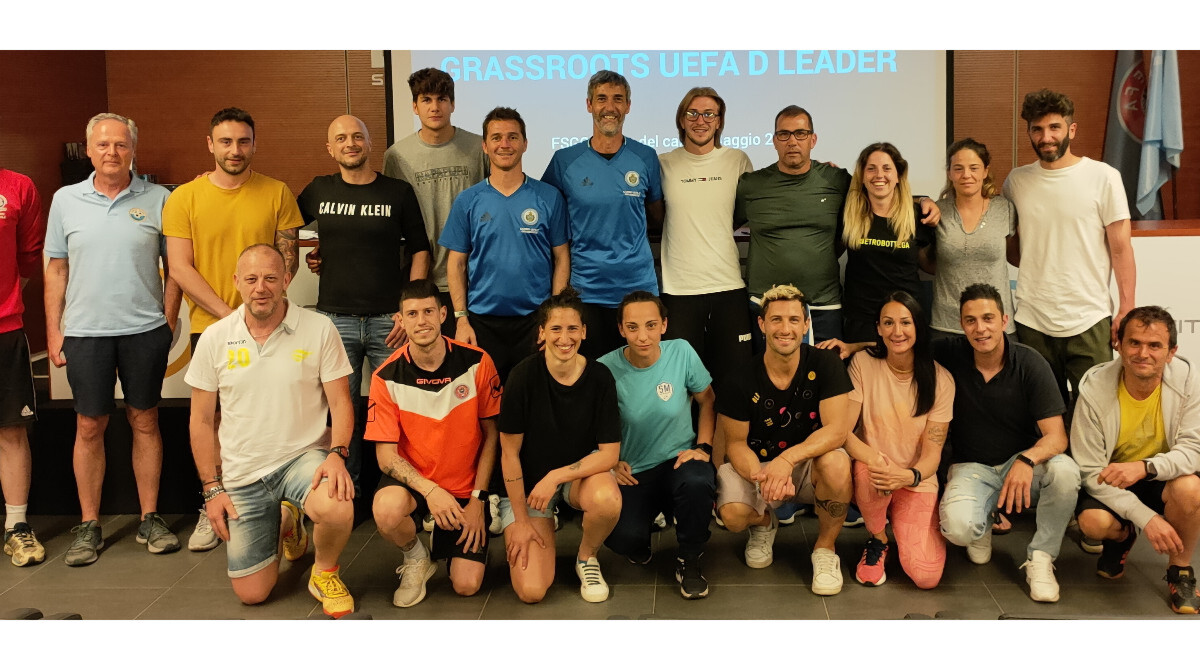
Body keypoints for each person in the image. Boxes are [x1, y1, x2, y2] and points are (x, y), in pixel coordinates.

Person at [186, 244, 356, 617]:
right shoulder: (215, 337)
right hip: (243, 474)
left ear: (287, 280)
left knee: (337, 503)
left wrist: (337, 454)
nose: (260, 287)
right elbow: (200, 420)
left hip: (302, 458)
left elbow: (342, 403)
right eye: (251, 279)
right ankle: (287, 521)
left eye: (270, 278)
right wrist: (212, 488)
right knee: (253, 594)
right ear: (237, 282)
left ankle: (324, 572)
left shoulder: (319, 328)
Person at [164, 106, 305, 552]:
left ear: (254, 144)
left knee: (273, 416)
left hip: (272, 328)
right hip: (211, 329)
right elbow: (180, 267)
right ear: (210, 145)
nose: (235, 150)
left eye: (243, 141)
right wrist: (232, 317)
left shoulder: (277, 192)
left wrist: (258, 311)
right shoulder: (184, 198)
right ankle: (215, 504)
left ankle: (280, 507)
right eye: (225, 141)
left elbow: (287, 261)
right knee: (215, 420)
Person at [44, 112, 182, 566]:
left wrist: (167, 321)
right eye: (103, 144)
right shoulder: (65, 200)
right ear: (88, 150)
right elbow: (56, 270)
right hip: (85, 333)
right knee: (89, 426)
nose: (112, 152)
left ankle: (150, 518)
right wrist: (54, 331)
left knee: (145, 420)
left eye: (121, 144)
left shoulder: (160, 198)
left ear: (133, 150)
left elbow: (176, 268)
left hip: (144, 331)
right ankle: (89, 524)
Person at [297, 115, 431, 495]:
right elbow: (282, 223)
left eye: (357, 136)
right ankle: (348, 494)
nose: (350, 143)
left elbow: (420, 249)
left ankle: (409, 493)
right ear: (330, 148)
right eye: (341, 138)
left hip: (390, 321)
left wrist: (409, 309)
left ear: (370, 143)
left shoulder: (397, 192)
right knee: (344, 413)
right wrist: (313, 253)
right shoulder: (318, 190)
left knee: (404, 405)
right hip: (335, 321)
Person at [735, 107, 940, 346]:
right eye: (784, 134)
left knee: (828, 370)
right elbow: (725, 223)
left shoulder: (835, 179)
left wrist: (923, 200)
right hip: (766, 303)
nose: (792, 141)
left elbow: (880, 189)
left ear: (813, 140)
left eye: (800, 133)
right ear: (774, 140)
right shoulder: (751, 185)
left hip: (824, 306)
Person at [936, 284, 1078, 602]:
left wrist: (1027, 460)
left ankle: (1041, 558)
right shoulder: (949, 354)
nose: (980, 328)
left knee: (1065, 472)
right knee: (958, 530)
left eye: (988, 318)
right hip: (971, 467)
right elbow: (901, 345)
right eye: (971, 320)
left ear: (1004, 320)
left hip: (1022, 467)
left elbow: (1057, 437)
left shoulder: (1030, 363)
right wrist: (854, 346)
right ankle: (983, 520)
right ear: (961, 325)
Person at [365, 278, 500, 608]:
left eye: (428, 311)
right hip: (417, 483)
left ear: (443, 314)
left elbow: (492, 436)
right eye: (412, 314)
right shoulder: (385, 376)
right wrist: (430, 491)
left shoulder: (477, 361)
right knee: (386, 510)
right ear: (400, 320)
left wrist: (478, 501)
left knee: (467, 585)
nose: (421, 321)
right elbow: (385, 457)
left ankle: (453, 529)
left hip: (465, 488)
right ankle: (416, 556)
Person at [716, 284, 854, 595]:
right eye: (776, 319)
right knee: (733, 516)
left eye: (794, 319)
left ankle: (825, 549)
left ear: (806, 325)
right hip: (759, 466)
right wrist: (761, 477)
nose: (785, 328)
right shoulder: (739, 377)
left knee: (837, 463)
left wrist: (787, 459)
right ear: (762, 324)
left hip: (808, 462)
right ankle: (765, 523)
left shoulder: (826, 363)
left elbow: (836, 431)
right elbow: (735, 444)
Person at [1002, 89, 1136, 408]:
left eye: (1054, 127)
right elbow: (1013, 250)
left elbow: (1121, 250)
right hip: (1033, 319)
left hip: (1089, 317)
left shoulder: (1104, 177)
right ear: (1029, 132)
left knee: (1095, 411)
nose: (1046, 137)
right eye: (1037, 129)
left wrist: (1126, 308)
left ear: (1071, 129)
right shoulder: (1015, 182)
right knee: (1041, 415)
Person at [496, 287, 622, 604]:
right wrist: (522, 521)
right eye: (555, 328)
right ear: (542, 332)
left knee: (607, 498)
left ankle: (586, 558)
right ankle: (536, 522)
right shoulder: (522, 376)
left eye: (572, 328)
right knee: (532, 591)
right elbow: (509, 453)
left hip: (574, 480)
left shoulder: (600, 376)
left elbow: (609, 454)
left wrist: (556, 476)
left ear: (584, 331)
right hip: (529, 488)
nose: (564, 338)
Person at [1071, 306, 1200, 614]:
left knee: (1190, 489)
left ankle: (1180, 571)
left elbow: (1193, 450)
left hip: (1159, 476)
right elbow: (1090, 471)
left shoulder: (1189, 380)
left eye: (1155, 345)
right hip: (1112, 481)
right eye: (1135, 343)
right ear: (1118, 344)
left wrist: (1145, 468)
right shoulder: (1094, 389)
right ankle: (1123, 535)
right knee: (1093, 523)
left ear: (1171, 352)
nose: (1143, 353)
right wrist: (1146, 519)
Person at [598, 291, 716, 599]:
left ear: (664, 325)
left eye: (651, 325)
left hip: (679, 460)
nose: (643, 336)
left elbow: (707, 400)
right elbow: (590, 425)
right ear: (621, 329)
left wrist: (704, 447)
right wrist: (609, 462)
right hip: (633, 471)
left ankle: (689, 559)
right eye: (633, 327)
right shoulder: (604, 369)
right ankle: (646, 525)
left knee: (698, 481)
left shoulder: (682, 351)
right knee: (623, 539)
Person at [440, 106, 569, 383]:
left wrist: (554, 319)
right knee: (485, 402)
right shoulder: (468, 200)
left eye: (512, 137)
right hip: (481, 323)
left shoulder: (549, 197)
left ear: (525, 143)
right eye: (496, 138)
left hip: (535, 322)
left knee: (531, 399)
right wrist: (461, 319)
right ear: (485, 146)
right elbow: (456, 263)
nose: (505, 144)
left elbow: (561, 258)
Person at [542, 70, 664, 359]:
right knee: (592, 373)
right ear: (589, 105)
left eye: (618, 99)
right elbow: (550, 218)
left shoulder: (645, 157)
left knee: (641, 373)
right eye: (601, 99)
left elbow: (657, 216)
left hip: (638, 289)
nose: (610, 107)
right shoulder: (564, 161)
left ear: (628, 106)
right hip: (586, 291)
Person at [841, 291, 952, 589]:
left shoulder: (941, 379)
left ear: (918, 326)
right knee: (871, 472)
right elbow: (844, 433)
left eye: (905, 322)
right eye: (888, 323)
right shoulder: (862, 363)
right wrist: (878, 461)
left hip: (915, 479)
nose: (897, 331)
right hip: (873, 472)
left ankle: (910, 521)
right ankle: (878, 538)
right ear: (878, 328)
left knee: (926, 577)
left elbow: (932, 454)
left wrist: (907, 475)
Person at [658, 87, 753, 394]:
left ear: (719, 121)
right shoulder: (662, 163)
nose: (701, 120)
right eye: (693, 113)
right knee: (684, 388)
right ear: (681, 120)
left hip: (728, 287)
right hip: (679, 291)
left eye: (709, 114)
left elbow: (741, 215)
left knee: (734, 385)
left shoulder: (737, 160)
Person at [383, 67, 487, 336]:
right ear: (414, 106)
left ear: (452, 104)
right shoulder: (397, 155)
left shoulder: (479, 147)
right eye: (426, 100)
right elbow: (391, 222)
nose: (435, 107)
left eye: (442, 99)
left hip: (475, 280)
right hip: (422, 280)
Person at [840, 143, 935, 345]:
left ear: (898, 175)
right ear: (862, 176)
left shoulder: (917, 216)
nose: (879, 175)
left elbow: (929, 264)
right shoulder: (849, 215)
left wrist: (925, 199)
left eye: (886, 168)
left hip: (906, 318)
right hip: (862, 320)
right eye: (871, 168)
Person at [0, 166, 46, 567]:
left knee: (12, 430)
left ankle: (16, 526)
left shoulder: (18, 187)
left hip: (5, 328)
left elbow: (29, 258)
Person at [929, 139, 1017, 338]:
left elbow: (1015, 255)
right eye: (958, 168)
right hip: (947, 325)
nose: (966, 175)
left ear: (985, 171)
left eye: (974, 168)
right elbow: (926, 260)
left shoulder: (1005, 209)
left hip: (995, 325)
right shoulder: (936, 211)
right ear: (949, 173)